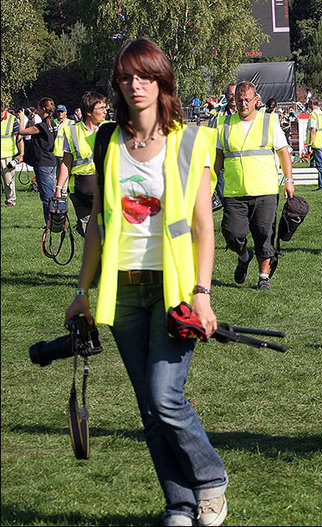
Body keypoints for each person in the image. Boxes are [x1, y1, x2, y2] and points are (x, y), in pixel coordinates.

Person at [63, 38, 228, 527]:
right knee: (149, 409)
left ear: (162, 81)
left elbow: (202, 224)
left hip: (174, 289)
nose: (136, 85)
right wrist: (82, 290)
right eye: (127, 77)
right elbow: (97, 222)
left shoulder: (193, 139)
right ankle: (179, 503)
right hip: (123, 289)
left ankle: (211, 478)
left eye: (145, 76)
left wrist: (203, 292)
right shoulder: (107, 140)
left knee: (165, 395)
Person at [214, 81, 295, 290]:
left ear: (255, 100)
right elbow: (217, 159)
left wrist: (289, 180)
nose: (243, 104)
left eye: (247, 100)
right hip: (234, 192)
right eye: (239, 100)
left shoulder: (269, 121)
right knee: (231, 233)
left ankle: (263, 278)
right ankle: (244, 256)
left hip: (265, 190)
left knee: (264, 234)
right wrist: (209, 183)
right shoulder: (224, 124)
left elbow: (283, 151)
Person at [55, 92, 108, 237]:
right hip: (81, 193)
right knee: (89, 234)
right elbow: (66, 163)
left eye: (105, 107)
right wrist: (59, 188)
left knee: (108, 234)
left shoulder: (110, 129)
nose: (105, 111)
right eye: (101, 108)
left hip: (106, 191)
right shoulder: (71, 131)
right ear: (89, 112)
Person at [18, 98, 60, 226]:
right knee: (49, 194)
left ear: (42, 109)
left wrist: (21, 119)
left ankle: (51, 223)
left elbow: (21, 132)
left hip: (43, 163)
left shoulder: (41, 127)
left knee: (47, 197)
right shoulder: (52, 124)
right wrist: (31, 119)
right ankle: (53, 221)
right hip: (50, 161)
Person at [208, 83, 237, 204]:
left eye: (236, 94)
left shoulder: (245, 112)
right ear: (226, 96)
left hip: (238, 159)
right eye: (230, 94)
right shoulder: (218, 113)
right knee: (224, 196)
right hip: (221, 159)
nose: (233, 97)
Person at [1, 102, 24, 207]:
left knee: (8, 180)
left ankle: (10, 200)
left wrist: (21, 154)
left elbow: (19, 138)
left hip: (7, 155)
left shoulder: (12, 119)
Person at [306, 97, 322, 190]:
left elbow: (313, 130)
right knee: (321, 165)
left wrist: (310, 144)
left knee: (320, 165)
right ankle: (321, 185)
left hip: (316, 142)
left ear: (311, 103)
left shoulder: (313, 114)